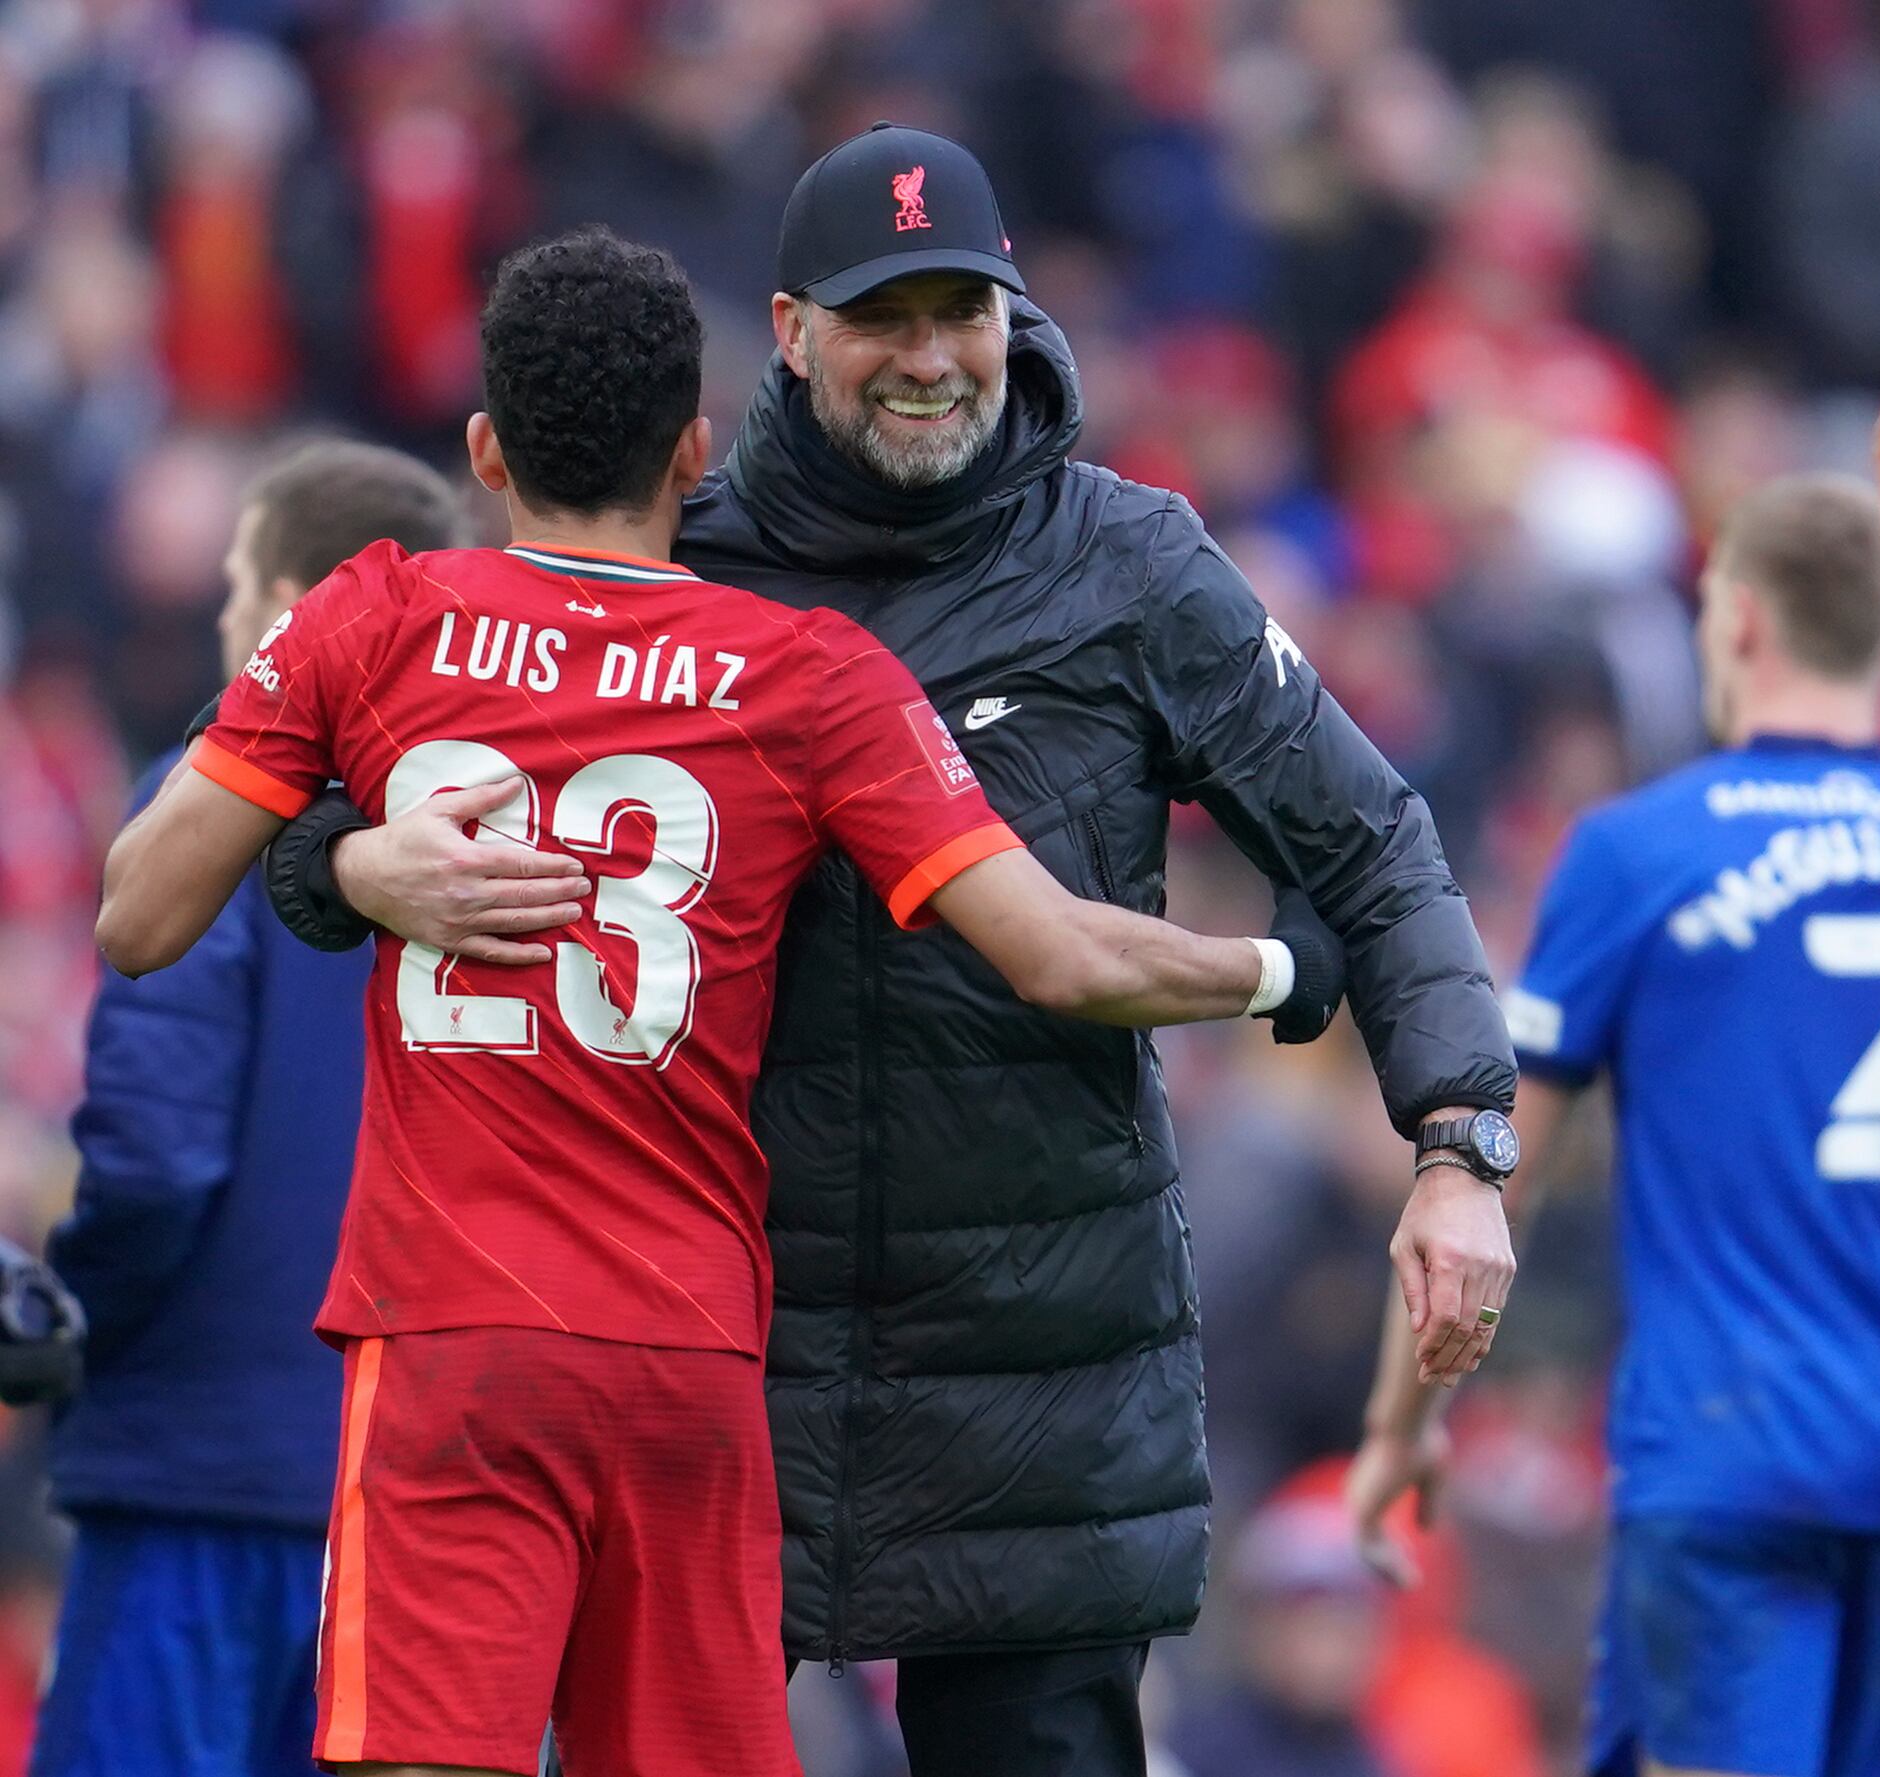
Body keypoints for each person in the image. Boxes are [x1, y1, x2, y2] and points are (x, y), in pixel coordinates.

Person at [259, 123, 1522, 1776]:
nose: (931, 360)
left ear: (1014, 314)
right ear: (789, 332)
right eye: (884, 319)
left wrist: (1458, 1140)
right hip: (717, 1351)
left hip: (1039, 1367)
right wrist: (355, 860)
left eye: (964, 312)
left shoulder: (1133, 564)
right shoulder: (675, 548)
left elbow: (1374, 841)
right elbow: (324, 798)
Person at [1346, 475, 1880, 1777]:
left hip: (1728, 1443)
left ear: (1739, 621)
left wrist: (1398, 1423)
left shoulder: (1639, 851)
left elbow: (1485, 1172)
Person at [35, 440, 469, 1777]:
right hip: (413, 1488)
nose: (225, 616)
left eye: (239, 583)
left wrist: (71, 1310)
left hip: (203, 1463)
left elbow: (158, 1151)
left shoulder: (211, 809)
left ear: (290, 606)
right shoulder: (491, 822)